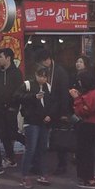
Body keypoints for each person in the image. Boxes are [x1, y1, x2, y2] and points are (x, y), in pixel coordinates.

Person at [32, 47, 72, 175]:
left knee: (60, 138)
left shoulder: (60, 72)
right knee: (43, 139)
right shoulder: (44, 70)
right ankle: (39, 165)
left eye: (42, 62)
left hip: (58, 110)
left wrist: (64, 113)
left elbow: (64, 95)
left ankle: (62, 165)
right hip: (45, 109)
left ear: (48, 60)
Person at [16, 67, 54, 189]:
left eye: (44, 76)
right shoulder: (28, 85)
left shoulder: (48, 87)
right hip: (31, 121)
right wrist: (34, 96)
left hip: (44, 122)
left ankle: (43, 174)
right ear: (35, 75)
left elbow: (51, 103)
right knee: (30, 149)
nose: (42, 79)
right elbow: (17, 96)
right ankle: (25, 176)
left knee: (43, 149)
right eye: (40, 76)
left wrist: (49, 115)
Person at [69, 69, 95, 188]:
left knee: (86, 152)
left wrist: (77, 98)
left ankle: (88, 178)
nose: (79, 83)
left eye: (80, 81)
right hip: (88, 124)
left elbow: (84, 111)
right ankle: (85, 176)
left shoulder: (92, 94)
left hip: (89, 124)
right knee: (84, 152)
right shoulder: (92, 92)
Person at [0, 48, 24, 169]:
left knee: (13, 132)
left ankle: (30, 145)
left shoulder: (16, 73)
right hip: (0, 108)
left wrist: (12, 104)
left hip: (12, 108)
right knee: (3, 134)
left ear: (8, 58)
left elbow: (19, 90)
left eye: (1, 57)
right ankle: (10, 158)